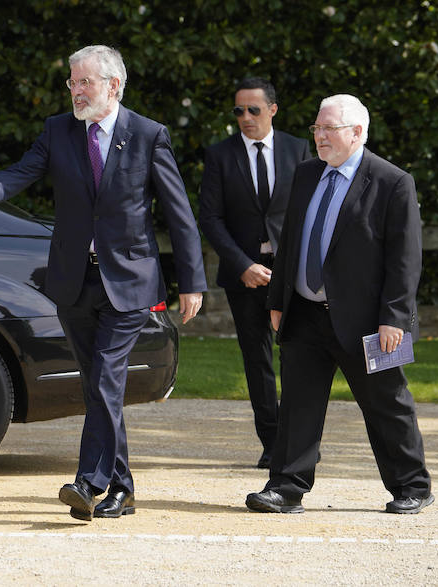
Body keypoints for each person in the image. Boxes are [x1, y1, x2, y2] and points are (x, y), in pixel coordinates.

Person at [0, 45, 206, 521]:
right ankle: (123, 487)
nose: (76, 90)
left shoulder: (148, 135)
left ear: (114, 85)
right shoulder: (58, 131)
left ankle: (89, 482)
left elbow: (179, 213)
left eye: (85, 82)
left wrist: (192, 281)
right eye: (72, 81)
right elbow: (16, 175)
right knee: (96, 385)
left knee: (106, 375)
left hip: (129, 280)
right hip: (73, 281)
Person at [245, 94, 433, 514]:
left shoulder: (392, 181)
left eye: (329, 129)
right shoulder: (308, 173)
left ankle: (412, 487)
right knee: (297, 404)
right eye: (317, 128)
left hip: (371, 322)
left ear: (357, 132)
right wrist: (278, 300)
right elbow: (289, 241)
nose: (320, 136)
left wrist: (395, 318)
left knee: (387, 404)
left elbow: (405, 259)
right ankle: (286, 487)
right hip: (306, 314)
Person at [198, 78, 311, 468]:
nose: (245, 118)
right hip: (242, 272)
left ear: (273, 109)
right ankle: (272, 442)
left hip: (290, 272)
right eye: (238, 111)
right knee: (257, 358)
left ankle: (297, 440)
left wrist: (293, 267)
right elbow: (210, 219)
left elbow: (306, 212)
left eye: (253, 110)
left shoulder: (299, 149)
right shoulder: (219, 155)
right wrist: (242, 265)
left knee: (296, 353)